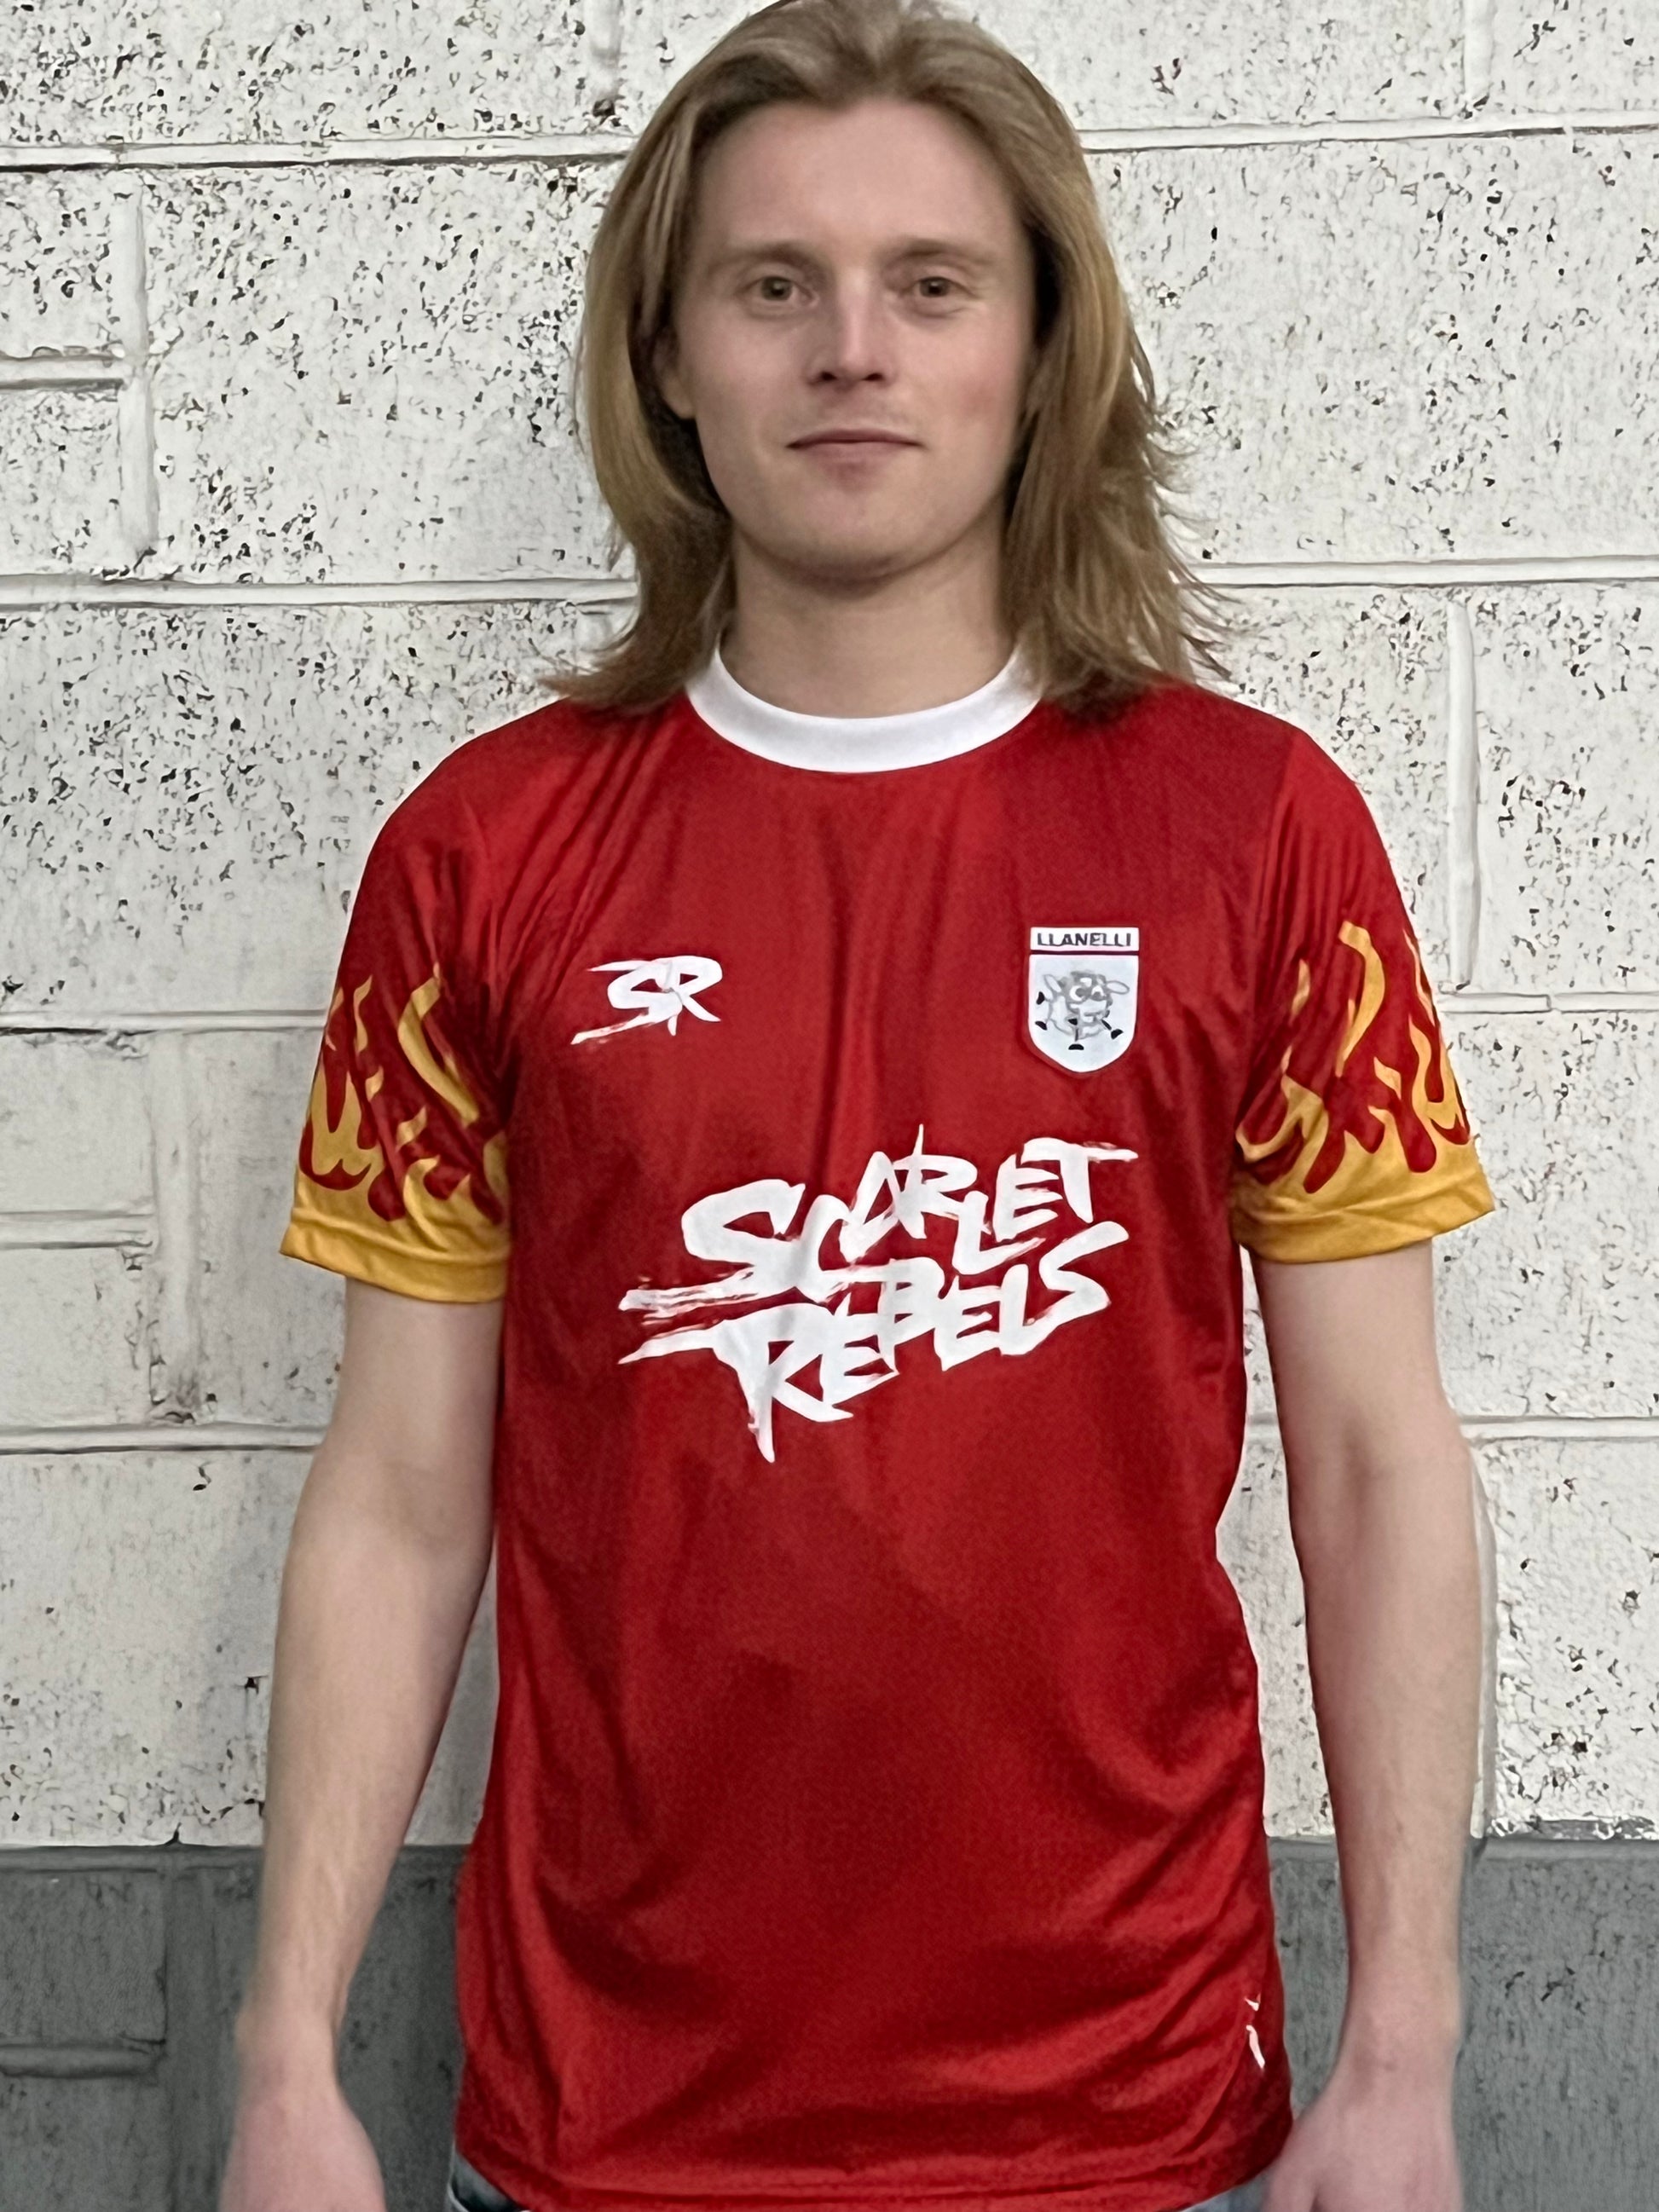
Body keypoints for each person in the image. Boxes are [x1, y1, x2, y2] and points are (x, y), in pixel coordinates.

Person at [220, 3, 1497, 2209]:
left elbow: (1379, 1471)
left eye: (932, 283)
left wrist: (1405, 2051)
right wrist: (280, 2060)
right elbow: (401, 1499)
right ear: (667, 356)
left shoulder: (1256, 833)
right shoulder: (480, 856)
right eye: (772, 284)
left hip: (1130, 2127)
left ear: (1038, 347)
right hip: (601, 2135)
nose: (852, 351)